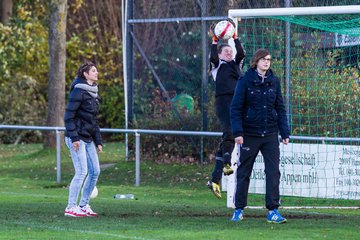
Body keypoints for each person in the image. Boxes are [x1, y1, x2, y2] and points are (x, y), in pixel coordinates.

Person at [230, 49, 290, 223]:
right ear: (256, 61)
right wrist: (238, 132)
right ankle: (239, 209)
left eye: (269, 59)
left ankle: (273, 210)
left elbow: (280, 108)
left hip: (270, 134)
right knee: (244, 172)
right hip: (249, 134)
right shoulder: (245, 81)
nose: (267, 62)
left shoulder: (274, 81)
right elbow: (235, 108)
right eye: (263, 59)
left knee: (273, 173)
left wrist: (284, 132)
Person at [207, 19, 245, 199]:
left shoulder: (236, 66)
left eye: (231, 51)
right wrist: (215, 41)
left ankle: (215, 179)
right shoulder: (217, 66)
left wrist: (235, 38)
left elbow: (241, 54)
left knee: (228, 137)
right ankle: (227, 164)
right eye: (226, 51)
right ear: (221, 55)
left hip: (238, 103)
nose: (229, 53)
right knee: (230, 132)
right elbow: (213, 57)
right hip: (223, 102)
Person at [63, 62, 103, 217]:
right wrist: (74, 138)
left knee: (95, 171)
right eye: (93, 71)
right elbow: (68, 117)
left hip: (88, 138)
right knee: (81, 172)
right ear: (85, 74)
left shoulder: (93, 92)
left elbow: (93, 120)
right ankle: (70, 207)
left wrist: (98, 141)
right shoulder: (78, 91)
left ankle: (84, 205)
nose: (97, 72)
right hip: (76, 138)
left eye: (96, 70)